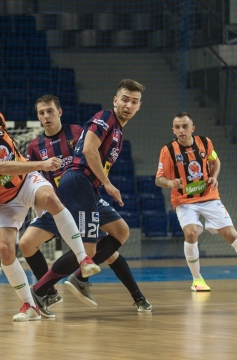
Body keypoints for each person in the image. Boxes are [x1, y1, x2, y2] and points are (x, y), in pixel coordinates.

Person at [0, 102, 100, 322]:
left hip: (25, 183)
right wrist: (41, 164)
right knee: (4, 248)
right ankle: (30, 305)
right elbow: (1, 167)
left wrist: (35, 169)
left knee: (50, 198)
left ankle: (83, 259)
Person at [21, 94, 151, 314]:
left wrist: (102, 183)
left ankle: (137, 296)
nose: (46, 116)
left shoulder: (77, 132)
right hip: (57, 202)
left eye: (50, 111)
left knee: (111, 241)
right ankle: (49, 292)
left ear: (59, 112)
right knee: (26, 243)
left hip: (83, 195)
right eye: (41, 113)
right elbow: (29, 175)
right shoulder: (35, 146)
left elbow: (92, 155)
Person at [155, 112, 237, 292]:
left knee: (231, 233)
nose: (181, 130)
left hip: (209, 197)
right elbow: (159, 179)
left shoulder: (205, 143)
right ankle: (197, 279)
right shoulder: (167, 150)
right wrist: (170, 182)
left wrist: (214, 177)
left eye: (185, 126)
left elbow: (216, 162)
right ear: (173, 130)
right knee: (191, 233)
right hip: (184, 201)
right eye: (177, 127)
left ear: (193, 128)